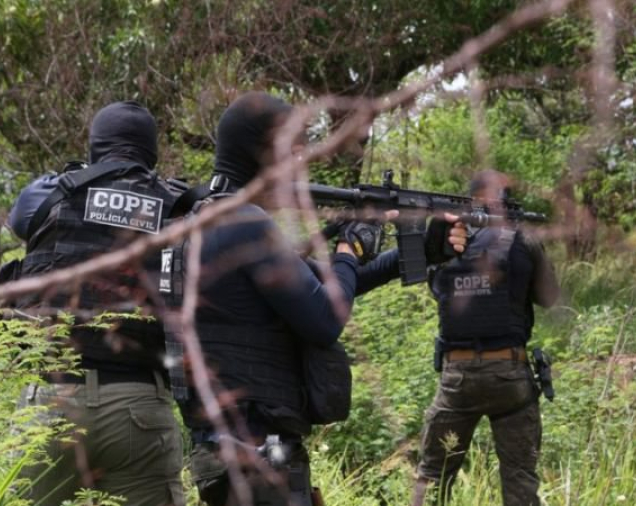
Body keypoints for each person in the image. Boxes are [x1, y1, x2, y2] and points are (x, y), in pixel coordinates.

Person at [168, 91, 467, 506]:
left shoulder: (201, 215)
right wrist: (349, 250)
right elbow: (326, 317)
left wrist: (421, 252)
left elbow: (320, 288)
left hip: (227, 450)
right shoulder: (246, 223)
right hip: (259, 454)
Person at [7, 101, 185, 506]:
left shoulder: (50, 195)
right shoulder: (174, 206)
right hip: (138, 405)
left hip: (52, 401)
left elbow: (20, 219)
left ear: (95, 149)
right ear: (151, 153)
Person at [411, 170, 560, 506]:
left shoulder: (448, 242)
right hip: (510, 375)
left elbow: (439, 292)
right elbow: (550, 298)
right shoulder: (523, 239)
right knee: (520, 478)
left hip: (458, 377)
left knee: (433, 476)